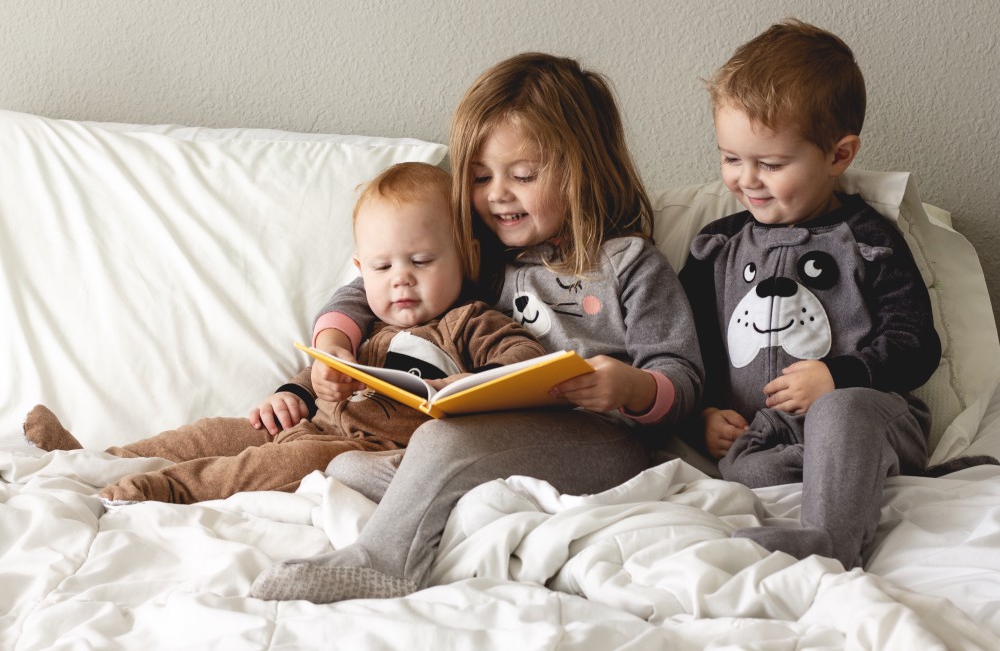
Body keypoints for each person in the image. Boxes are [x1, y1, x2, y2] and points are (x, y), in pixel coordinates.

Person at [250, 53, 704, 602]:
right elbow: (369, 288)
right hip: (496, 435)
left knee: (442, 445)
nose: (496, 195)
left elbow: (680, 374)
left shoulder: (630, 264)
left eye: (523, 175)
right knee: (347, 465)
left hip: (605, 442)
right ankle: (446, 496)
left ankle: (381, 561)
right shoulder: (481, 257)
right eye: (482, 176)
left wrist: (630, 387)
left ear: (582, 166)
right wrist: (333, 344)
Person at [22, 162, 545, 504]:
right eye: (382, 267)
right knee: (211, 434)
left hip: (364, 449)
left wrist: (471, 390)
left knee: (282, 464)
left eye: (422, 260)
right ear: (361, 270)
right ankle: (88, 460)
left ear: (468, 257)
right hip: (308, 420)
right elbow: (317, 371)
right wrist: (292, 394)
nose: (401, 278)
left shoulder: (468, 321)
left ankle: (166, 490)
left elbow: (521, 357)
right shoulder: (363, 327)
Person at [678, 18, 939, 569]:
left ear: (838, 156)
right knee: (746, 471)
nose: (747, 179)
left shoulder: (867, 240)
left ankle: (832, 539)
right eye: (731, 159)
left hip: (869, 413)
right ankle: (842, 483)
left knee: (840, 414)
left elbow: (916, 343)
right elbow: (689, 349)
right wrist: (703, 413)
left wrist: (838, 377)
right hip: (769, 438)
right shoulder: (716, 248)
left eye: (770, 164)